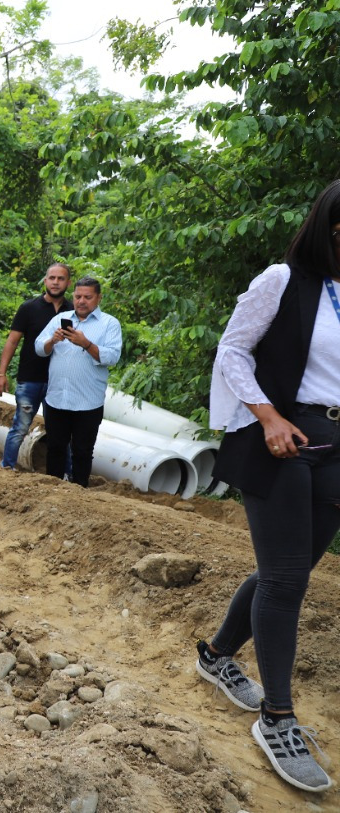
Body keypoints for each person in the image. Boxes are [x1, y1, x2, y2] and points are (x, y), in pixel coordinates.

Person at [196, 182, 340, 794]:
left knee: (290, 568)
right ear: (331, 229)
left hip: (335, 445)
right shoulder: (283, 280)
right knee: (285, 582)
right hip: (280, 436)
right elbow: (233, 351)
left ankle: (215, 656)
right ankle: (277, 717)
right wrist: (268, 416)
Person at [33, 277, 121, 487]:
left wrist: (86, 343)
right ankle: (53, 489)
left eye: (87, 297)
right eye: (78, 296)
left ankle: (79, 491)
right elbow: (38, 347)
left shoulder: (109, 324)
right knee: (55, 447)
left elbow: (112, 357)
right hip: (57, 398)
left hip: (87, 401)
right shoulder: (60, 319)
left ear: (98, 298)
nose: (82, 301)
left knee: (82, 451)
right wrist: (52, 340)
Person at [0, 263, 73, 469]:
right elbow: (12, 341)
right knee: (20, 427)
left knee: (61, 431)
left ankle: (67, 476)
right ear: (45, 281)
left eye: (61, 278)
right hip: (30, 379)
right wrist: (1, 373)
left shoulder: (73, 312)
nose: (55, 282)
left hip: (59, 382)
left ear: (68, 283)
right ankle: (7, 467)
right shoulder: (29, 308)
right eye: (52, 278)